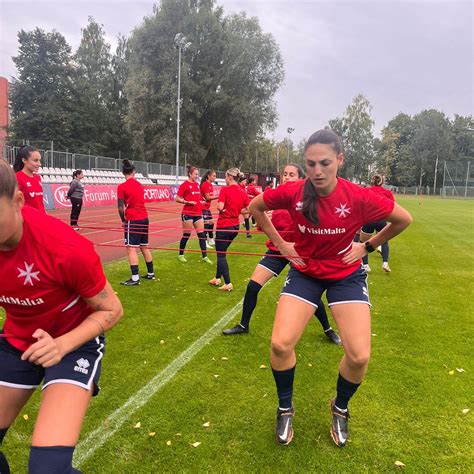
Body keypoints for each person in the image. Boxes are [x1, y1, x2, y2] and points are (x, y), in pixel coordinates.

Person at [250, 129, 412, 447]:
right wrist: (282, 244)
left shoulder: (359, 197)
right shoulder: (294, 192)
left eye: (325, 162)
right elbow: (256, 207)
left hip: (346, 276)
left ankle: (340, 408)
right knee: (281, 344)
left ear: (340, 160)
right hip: (306, 273)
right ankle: (285, 408)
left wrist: (368, 247)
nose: (317, 171)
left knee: (359, 355)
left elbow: (403, 219)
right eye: (310, 164)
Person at [0, 158, 123, 473]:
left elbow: (112, 310)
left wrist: (62, 344)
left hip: (74, 344)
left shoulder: (66, 247)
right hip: (17, 341)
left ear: (17, 201)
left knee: (47, 468)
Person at [223, 163, 341, 346]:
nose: (286, 177)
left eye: (291, 174)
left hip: (299, 252)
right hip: (277, 249)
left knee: (311, 295)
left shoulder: (308, 199)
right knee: (253, 286)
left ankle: (328, 329)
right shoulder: (274, 199)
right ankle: (243, 325)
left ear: (300, 178)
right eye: (284, 174)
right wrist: (264, 221)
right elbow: (261, 226)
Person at [209, 168, 250, 291]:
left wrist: (220, 207)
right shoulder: (243, 191)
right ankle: (217, 278)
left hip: (224, 226)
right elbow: (247, 209)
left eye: (226, 177)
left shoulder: (225, 190)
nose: (225, 179)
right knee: (222, 253)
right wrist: (236, 210)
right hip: (235, 226)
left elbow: (220, 206)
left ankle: (228, 283)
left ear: (230, 177)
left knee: (221, 255)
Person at [117, 159, 156, 286]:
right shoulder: (139, 185)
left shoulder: (122, 187)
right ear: (134, 172)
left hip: (133, 219)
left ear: (123, 173)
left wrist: (123, 220)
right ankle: (150, 273)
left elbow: (120, 207)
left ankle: (135, 278)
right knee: (144, 245)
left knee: (131, 248)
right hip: (144, 217)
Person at [176, 165, 212, 264]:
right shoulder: (184, 185)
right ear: (190, 174)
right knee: (186, 235)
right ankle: (181, 255)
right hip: (187, 213)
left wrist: (201, 202)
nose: (197, 176)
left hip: (198, 213)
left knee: (201, 235)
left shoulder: (197, 185)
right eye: (195, 174)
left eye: (198, 174)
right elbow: (177, 198)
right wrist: (188, 202)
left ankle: (205, 256)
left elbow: (198, 198)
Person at [360, 175, 395, 273]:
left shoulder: (366, 190)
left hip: (369, 219)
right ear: (382, 182)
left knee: (363, 243)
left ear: (372, 182)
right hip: (381, 219)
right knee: (384, 241)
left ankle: (366, 265)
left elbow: (361, 204)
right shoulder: (387, 192)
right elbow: (392, 206)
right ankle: (385, 263)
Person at [13, 145, 45, 212]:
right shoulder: (16, 178)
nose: (39, 164)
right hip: (27, 220)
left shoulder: (38, 178)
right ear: (24, 160)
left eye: (39, 160)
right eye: (36, 160)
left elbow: (40, 204)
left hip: (40, 219)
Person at [200, 170, 218, 249]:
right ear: (208, 176)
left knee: (211, 223)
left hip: (207, 207)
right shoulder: (205, 185)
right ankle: (204, 241)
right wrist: (219, 196)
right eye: (213, 176)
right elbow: (208, 197)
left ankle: (210, 239)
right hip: (202, 207)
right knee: (206, 224)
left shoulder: (210, 185)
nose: (215, 177)